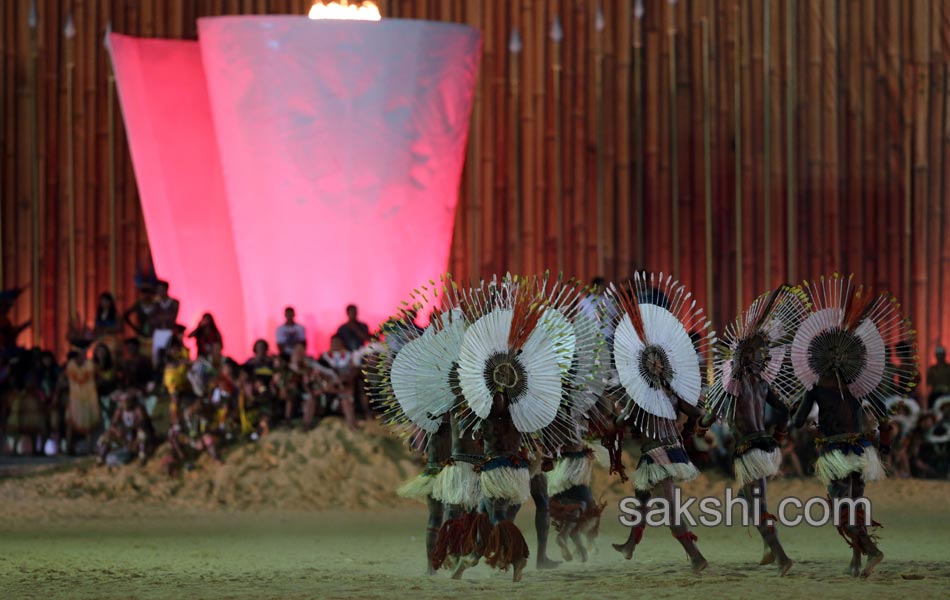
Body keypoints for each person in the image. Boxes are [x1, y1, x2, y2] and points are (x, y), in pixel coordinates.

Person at [704, 333, 794, 575]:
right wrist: (780, 436)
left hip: (748, 450)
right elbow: (785, 411)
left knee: (756, 507)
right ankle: (769, 548)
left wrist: (702, 420)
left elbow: (707, 419)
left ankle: (781, 557)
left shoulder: (730, 387)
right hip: (765, 447)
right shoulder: (762, 383)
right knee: (749, 498)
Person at [396, 415, 452, 575]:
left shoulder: (427, 417)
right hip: (448, 473)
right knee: (449, 518)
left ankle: (431, 567)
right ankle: (439, 560)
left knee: (436, 519)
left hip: (434, 471)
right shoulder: (454, 417)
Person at [65, 338, 100, 455]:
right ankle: (69, 450)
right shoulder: (71, 364)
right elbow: (78, 378)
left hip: (89, 397)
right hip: (75, 397)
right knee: (72, 425)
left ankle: (88, 450)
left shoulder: (90, 364)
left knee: (88, 425)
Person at [97, 390, 151, 466]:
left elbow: (142, 422)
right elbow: (113, 424)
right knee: (105, 437)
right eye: (123, 401)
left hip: (135, 438)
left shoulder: (138, 409)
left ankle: (142, 457)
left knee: (142, 434)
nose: (125, 403)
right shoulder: (120, 410)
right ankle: (100, 459)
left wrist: (128, 428)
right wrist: (116, 431)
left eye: (127, 401)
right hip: (124, 439)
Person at [150, 280, 180, 367]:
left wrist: (160, 317)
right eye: (158, 290)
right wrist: (164, 317)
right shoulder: (155, 304)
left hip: (169, 332)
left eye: (161, 289)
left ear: (166, 289)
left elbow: (172, 318)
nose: (160, 292)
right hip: (158, 333)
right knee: (156, 357)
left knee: (169, 354)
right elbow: (152, 320)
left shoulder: (174, 303)